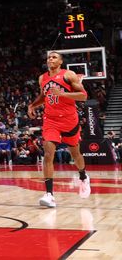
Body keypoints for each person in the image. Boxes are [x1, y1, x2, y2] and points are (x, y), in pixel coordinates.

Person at [27, 51, 91, 207]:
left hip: (69, 120)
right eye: (49, 57)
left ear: (61, 61)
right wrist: (32, 105)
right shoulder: (42, 78)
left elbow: (83, 96)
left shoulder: (69, 75)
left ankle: (83, 177)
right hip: (51, 120)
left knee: (75, 154)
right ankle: (49, 195)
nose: (50, 59)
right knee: (48, 154)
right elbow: (44, 95)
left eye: (54, 57)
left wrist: (63, 94)